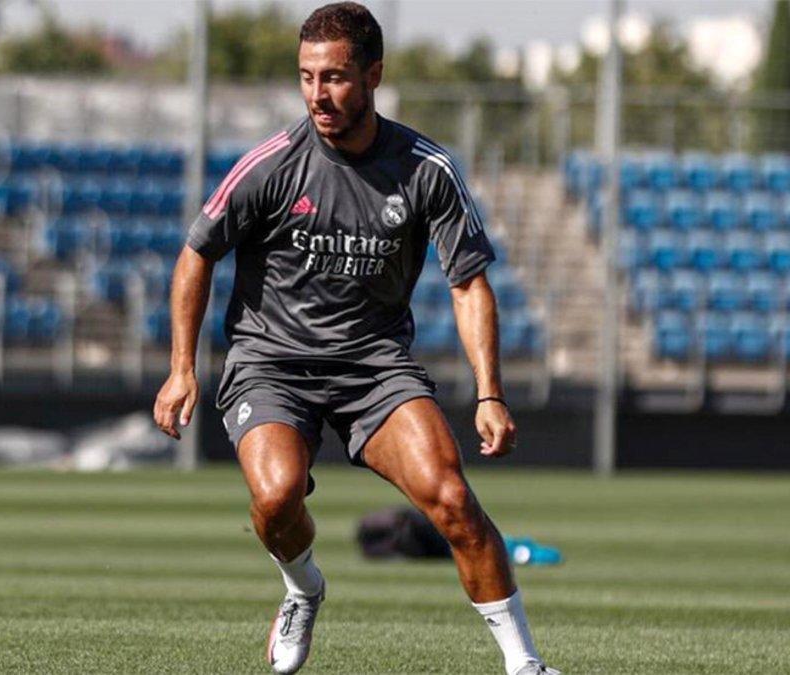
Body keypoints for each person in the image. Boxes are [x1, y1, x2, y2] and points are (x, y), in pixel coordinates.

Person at [151, 3, 560, 674]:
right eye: (307, 77)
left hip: (376, 371)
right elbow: (196, 254)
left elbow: (468, 284)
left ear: (373, 75)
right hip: (271, 367)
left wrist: (489, 391)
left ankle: (526, 665)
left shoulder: (427, 168)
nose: (318, 94)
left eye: (336, 77)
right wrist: (181, 368)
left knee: (453, 499)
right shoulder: (271, 164)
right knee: (277, 495)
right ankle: (304, 587)